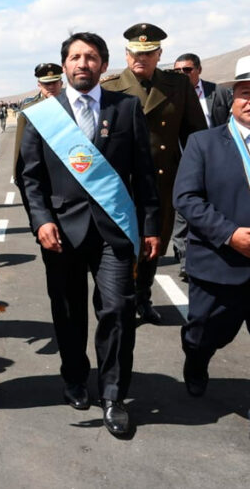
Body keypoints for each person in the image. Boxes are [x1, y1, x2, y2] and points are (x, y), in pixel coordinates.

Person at [19, 32, 160, 438]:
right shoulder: (42, 115)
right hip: (60, 231)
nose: (83, 63)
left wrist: (151, 225)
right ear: (64, 65)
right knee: (67, 312)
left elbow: (144, 174)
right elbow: (30, 178)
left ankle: (114, 394)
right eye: (76, 57)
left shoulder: (126, 108)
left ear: (103, 65)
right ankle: (75, 377)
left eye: (92, 57)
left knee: (117, 311)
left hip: (114, 230)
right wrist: (41, 220)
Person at [101, 23, 207, 325]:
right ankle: (120, 300)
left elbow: (195, 136)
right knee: (121, 246)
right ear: (126, 54)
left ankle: (143, 298)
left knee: (152, 244)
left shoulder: (178, 86)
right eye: (135, 52)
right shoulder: (109, 89)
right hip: (119, 184)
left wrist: (199, 178)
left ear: (159, 54)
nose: (141, 58)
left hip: (161, 181)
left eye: (148, 53)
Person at [173, 55, 250, 398]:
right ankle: (196, 360)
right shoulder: (202, 143)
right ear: (232, 98)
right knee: (204, 334)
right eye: (246, 93)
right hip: (219, 262)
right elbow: (186, 198)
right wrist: (230, 235)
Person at [172, 53, 233, 281]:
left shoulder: (219, 92)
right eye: (177, 71)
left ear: (198, 70)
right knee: (184, 209)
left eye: (186, 70)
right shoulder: (173, 95)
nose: (182, 75)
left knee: (215, 208)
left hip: (218, 159)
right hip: (184, 159)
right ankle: (186, 261)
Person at [13, 63, 64, 211]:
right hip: (41, 170)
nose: (51, 87)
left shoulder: (74, 105)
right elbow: (20, 145)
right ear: (39, 85)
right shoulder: (30, 109)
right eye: (46, 83)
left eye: (54, 82)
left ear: (61, 82)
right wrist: (17, 174)